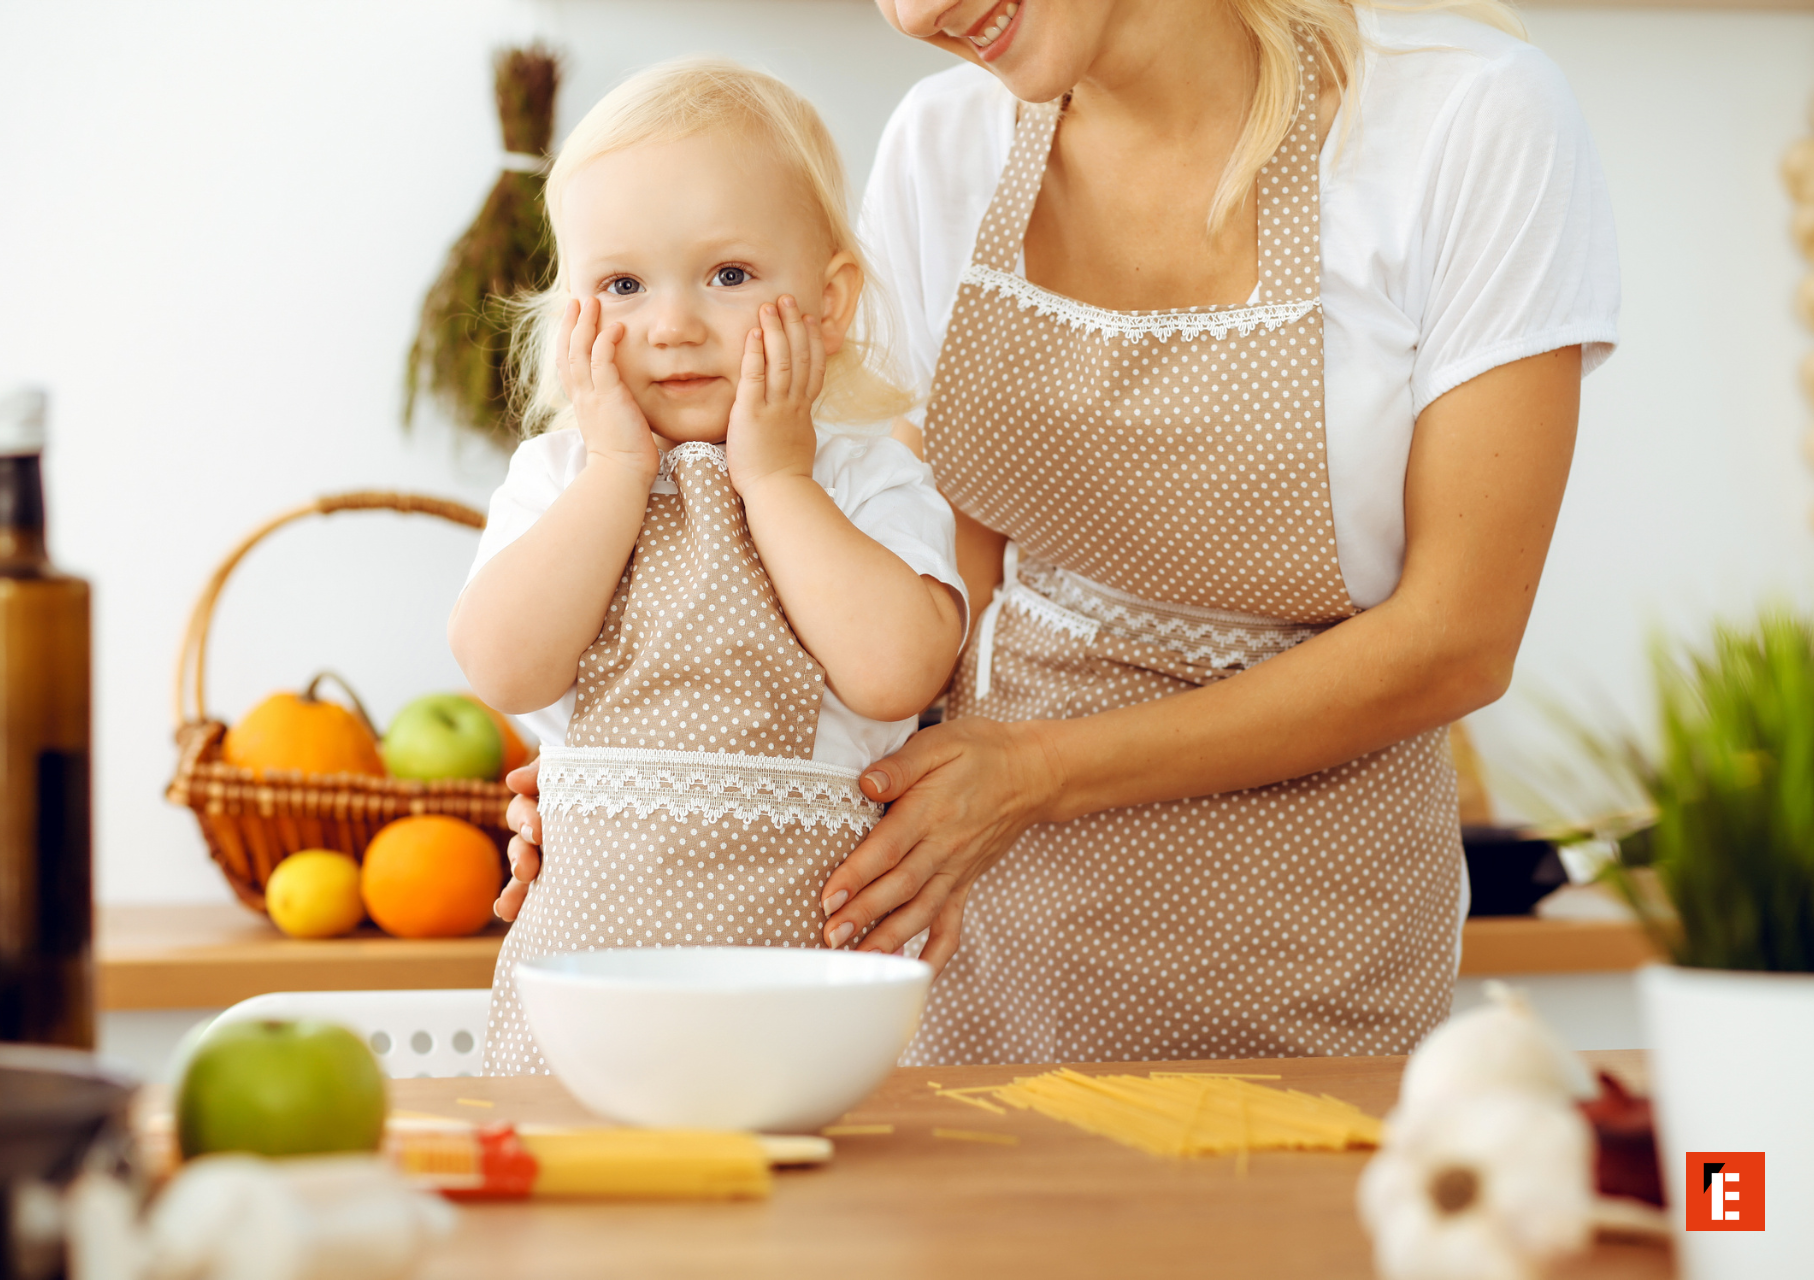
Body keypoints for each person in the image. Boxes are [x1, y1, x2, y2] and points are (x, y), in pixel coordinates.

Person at [495, 0, 1621, 1069]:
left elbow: (1458, 635)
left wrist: (1035, 772)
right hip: (972, 908)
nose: (915, 15)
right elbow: (923, 595)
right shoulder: (946, 147)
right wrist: (669, 784)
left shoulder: (1467, 122)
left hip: (1308, 929)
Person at [452, 59, 966, 1075]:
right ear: (572, 317)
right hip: (587, 1013)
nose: (672, 324)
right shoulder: (561, 477)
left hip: (806, 1001)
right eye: (622, 284)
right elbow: (503, 667)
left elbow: (898, 670)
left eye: (728, 275)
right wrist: (613, 472)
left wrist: (776, 479)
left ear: (827, 303)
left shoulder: (864, 475)